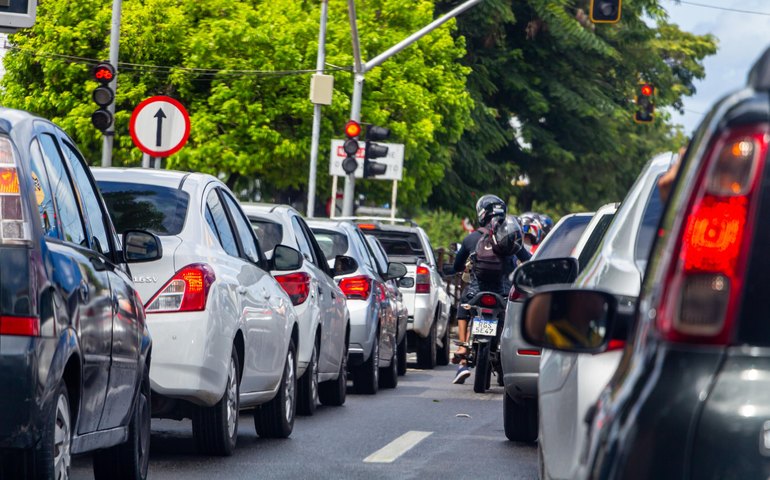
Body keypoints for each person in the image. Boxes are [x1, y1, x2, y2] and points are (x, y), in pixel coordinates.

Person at [450, 194, 531, 384]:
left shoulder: (472, 238)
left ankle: (462, 349)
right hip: (503, 293)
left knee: (464, 306)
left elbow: (456, 266)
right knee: (510, 316)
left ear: (481, 213)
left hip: (476, 292)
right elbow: (527, 259)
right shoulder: (511, 236)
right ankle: (504, 349)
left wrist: (456, 268)